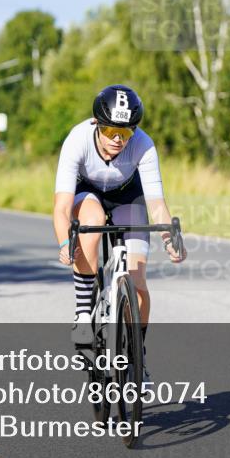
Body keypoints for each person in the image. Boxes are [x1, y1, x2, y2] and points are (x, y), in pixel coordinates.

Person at [53, 85, 186, 382]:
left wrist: (170, 239)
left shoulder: (144, 145)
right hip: (87, 193)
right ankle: (84, 313)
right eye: (112, 130)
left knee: (138, 281)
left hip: (128, 196)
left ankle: (138, 358)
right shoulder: (77, 140)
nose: (117, 140)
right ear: (96, 124)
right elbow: (61, 207)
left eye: (125, 133)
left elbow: (156, 204)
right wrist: (65, 241)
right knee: (93, 219)